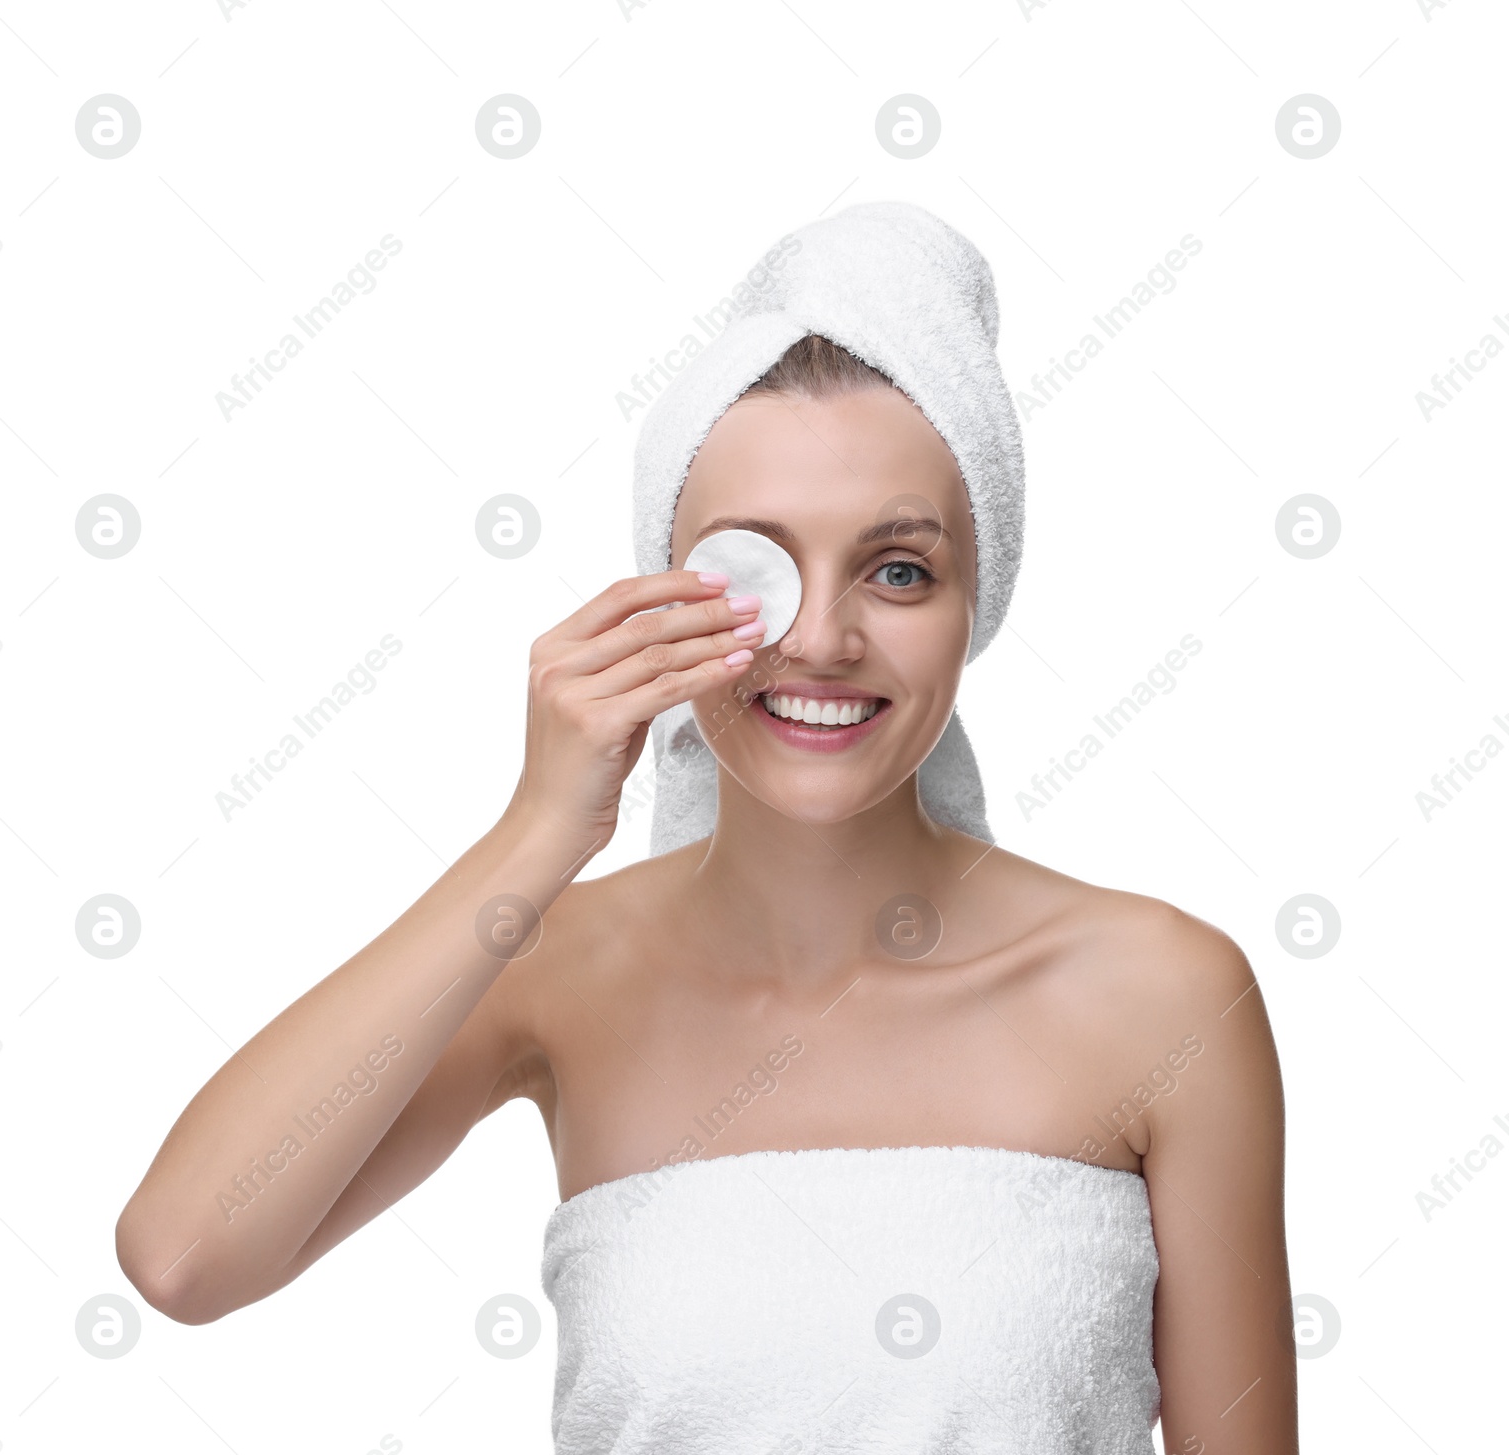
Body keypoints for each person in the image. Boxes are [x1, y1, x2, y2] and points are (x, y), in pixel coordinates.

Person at [117, 211, 1295, 1455]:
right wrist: (540, 827)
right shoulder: (551, 970)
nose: (821, 640)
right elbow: (185, 1254)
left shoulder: (1162, 997)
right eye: (753, 573)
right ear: (656, 593)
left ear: (975, 604)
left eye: (898, 570)